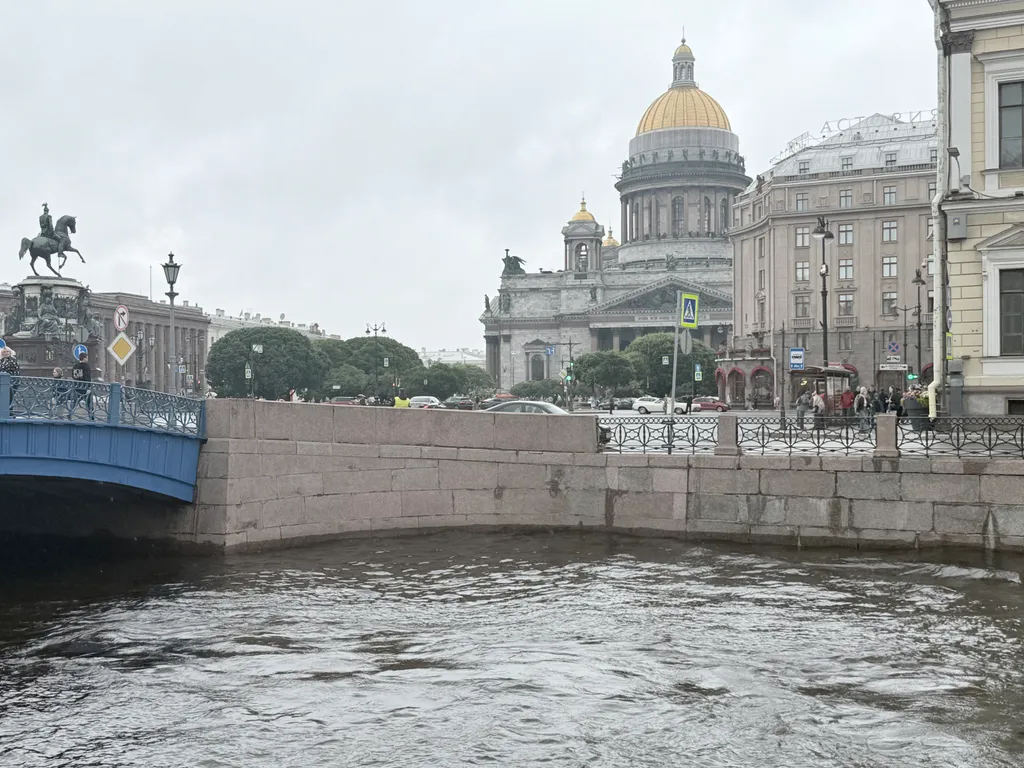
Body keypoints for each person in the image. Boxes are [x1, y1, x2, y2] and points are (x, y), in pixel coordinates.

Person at [71, 351, 94, 419]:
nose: (87, 359)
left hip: (77, 387)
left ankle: (70, 414)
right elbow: (87, 377)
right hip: (84, 387)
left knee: (74, 402)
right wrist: (89, 387)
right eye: (87, 358)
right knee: (89, 403)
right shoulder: (86, 366)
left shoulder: (75, 366)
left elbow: (74, 376)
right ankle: (91, 417)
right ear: (84, 358)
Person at [0, 347, 20, 414]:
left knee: (10, 397)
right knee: (3, 397)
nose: (5, 353)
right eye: (4, 352)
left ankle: (10, 412)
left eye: (7, 352)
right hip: (2, 382)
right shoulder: (1, 361)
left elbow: (15, 371)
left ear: (10, 352)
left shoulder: (13, 360)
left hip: (12, 382)